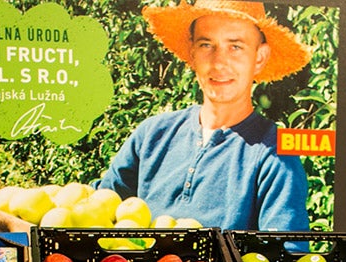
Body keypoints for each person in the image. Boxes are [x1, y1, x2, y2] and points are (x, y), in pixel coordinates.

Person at [97, 0, 312, 231]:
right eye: (206, 45)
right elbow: (97, 214)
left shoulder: (275, 156)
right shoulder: (152, 135)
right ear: (192, 53)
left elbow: (285, 250)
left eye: (235, 47)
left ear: (259, 58)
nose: (219, 62)